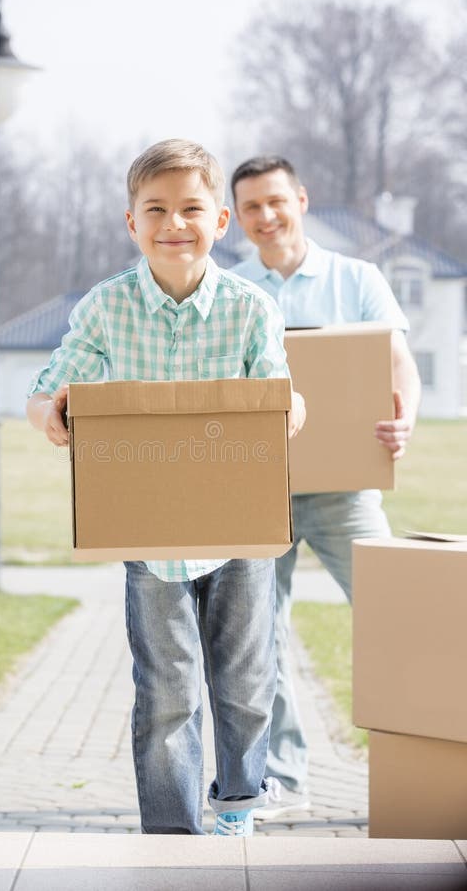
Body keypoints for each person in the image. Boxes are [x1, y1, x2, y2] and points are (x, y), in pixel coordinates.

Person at [26, 139, 306, 837]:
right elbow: (48, 387)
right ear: (131, 223)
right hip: (151, 532)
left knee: (245, 681)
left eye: (191, 209)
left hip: (241, 527)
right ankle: (172, 833)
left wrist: (291, 410)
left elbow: (282, 394)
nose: (173, 223)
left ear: (220, 222)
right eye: (156, 209)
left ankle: (238, 805)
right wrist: (52, 413)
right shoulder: (106, 308)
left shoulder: (249, 308)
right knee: (168, 690)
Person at [229, 155, 422, 819]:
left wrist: (406, 421)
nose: (266, 216)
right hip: (257, 490)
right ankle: (283, 778)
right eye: (251, 207)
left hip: (347, 488)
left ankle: (423, 764)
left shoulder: (356, 278)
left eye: (275, 201)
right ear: (237, 218)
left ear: (301, 200)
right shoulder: (227, 290)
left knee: (401, 615)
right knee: (259, 636)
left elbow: (399, 368)